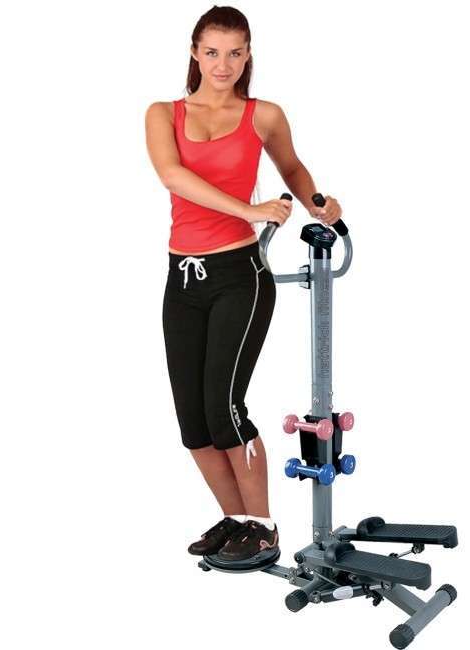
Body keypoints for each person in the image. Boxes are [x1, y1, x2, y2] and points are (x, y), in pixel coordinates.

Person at [145, 5, 342, 562]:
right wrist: (250, 209)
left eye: (234, 53)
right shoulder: (163, 114)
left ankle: (263, 528)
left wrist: (318, 203)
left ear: (248, 54)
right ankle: (236, 520)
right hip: (182, 278)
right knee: (193, 420)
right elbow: (173, 176)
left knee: (224, 408)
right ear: (194, 53)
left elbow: (292, 169)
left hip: (240, 275)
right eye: (212, 52)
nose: (222, 64)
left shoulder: (264, 115)